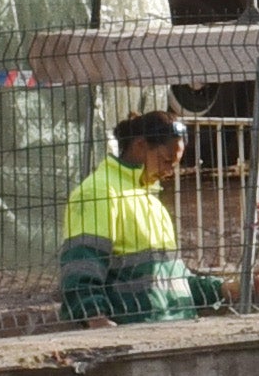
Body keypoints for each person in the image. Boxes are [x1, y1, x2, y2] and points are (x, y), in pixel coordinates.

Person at [57, 107, 227, 327]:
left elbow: (175, 281)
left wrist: (225, 288)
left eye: (174, 165)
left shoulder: (151, 202)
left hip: (171, 332)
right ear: (140, 146)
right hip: (131, 335)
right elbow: (81, 266)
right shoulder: (99, 192)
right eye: (166, 161)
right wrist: (95, 320)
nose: (169, 171)